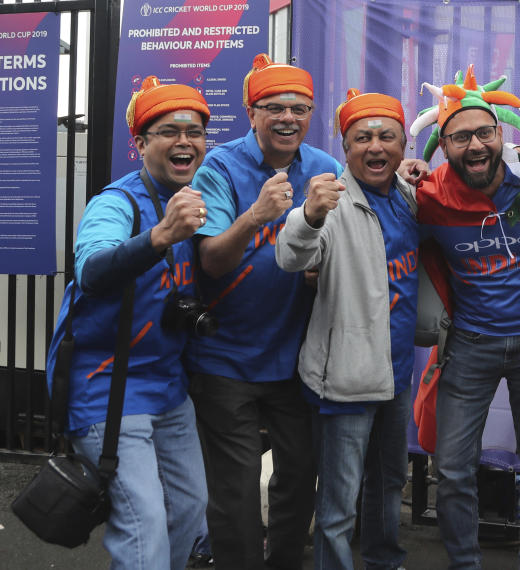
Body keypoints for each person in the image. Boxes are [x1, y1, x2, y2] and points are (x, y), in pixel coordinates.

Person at [45, 76, 210, 568]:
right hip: (108, 391)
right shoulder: (115, 203)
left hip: (167, 387)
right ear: (140, 144)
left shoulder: (193, 199)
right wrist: (159, 237)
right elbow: (92, 271)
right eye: (168, 131)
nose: (185, 141)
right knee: (144, 526)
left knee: (190, 509)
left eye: (195, 131)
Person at [187, 53, 341, 569]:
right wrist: (256, 215)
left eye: (299, 108)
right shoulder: (221, 167)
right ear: (252, 113)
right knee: (234, 489)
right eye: (273, 107)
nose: (287, 118)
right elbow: (210, 261)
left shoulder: (324, 168)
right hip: (225, 358)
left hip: (295, 358)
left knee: (299, 475)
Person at [410, 65, 520, 570]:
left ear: (501, 134)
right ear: (443, 144)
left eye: (483, 132)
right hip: (470, 346)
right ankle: (464, 564)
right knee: (453, 469)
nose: (474, 145)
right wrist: (401, 175)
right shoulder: (429, 199)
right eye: (460, 137)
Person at [275, 89, 418, 570]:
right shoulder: (332, 200)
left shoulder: (408, 197)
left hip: (396, 374)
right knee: (338, 505)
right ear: (346, 147)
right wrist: (309, 215)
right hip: (346, 380)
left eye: (387, 137)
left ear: (403, 146)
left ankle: (385, 562)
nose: (375, 147)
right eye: (362, 138)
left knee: (388, 486)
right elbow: (293, 256)